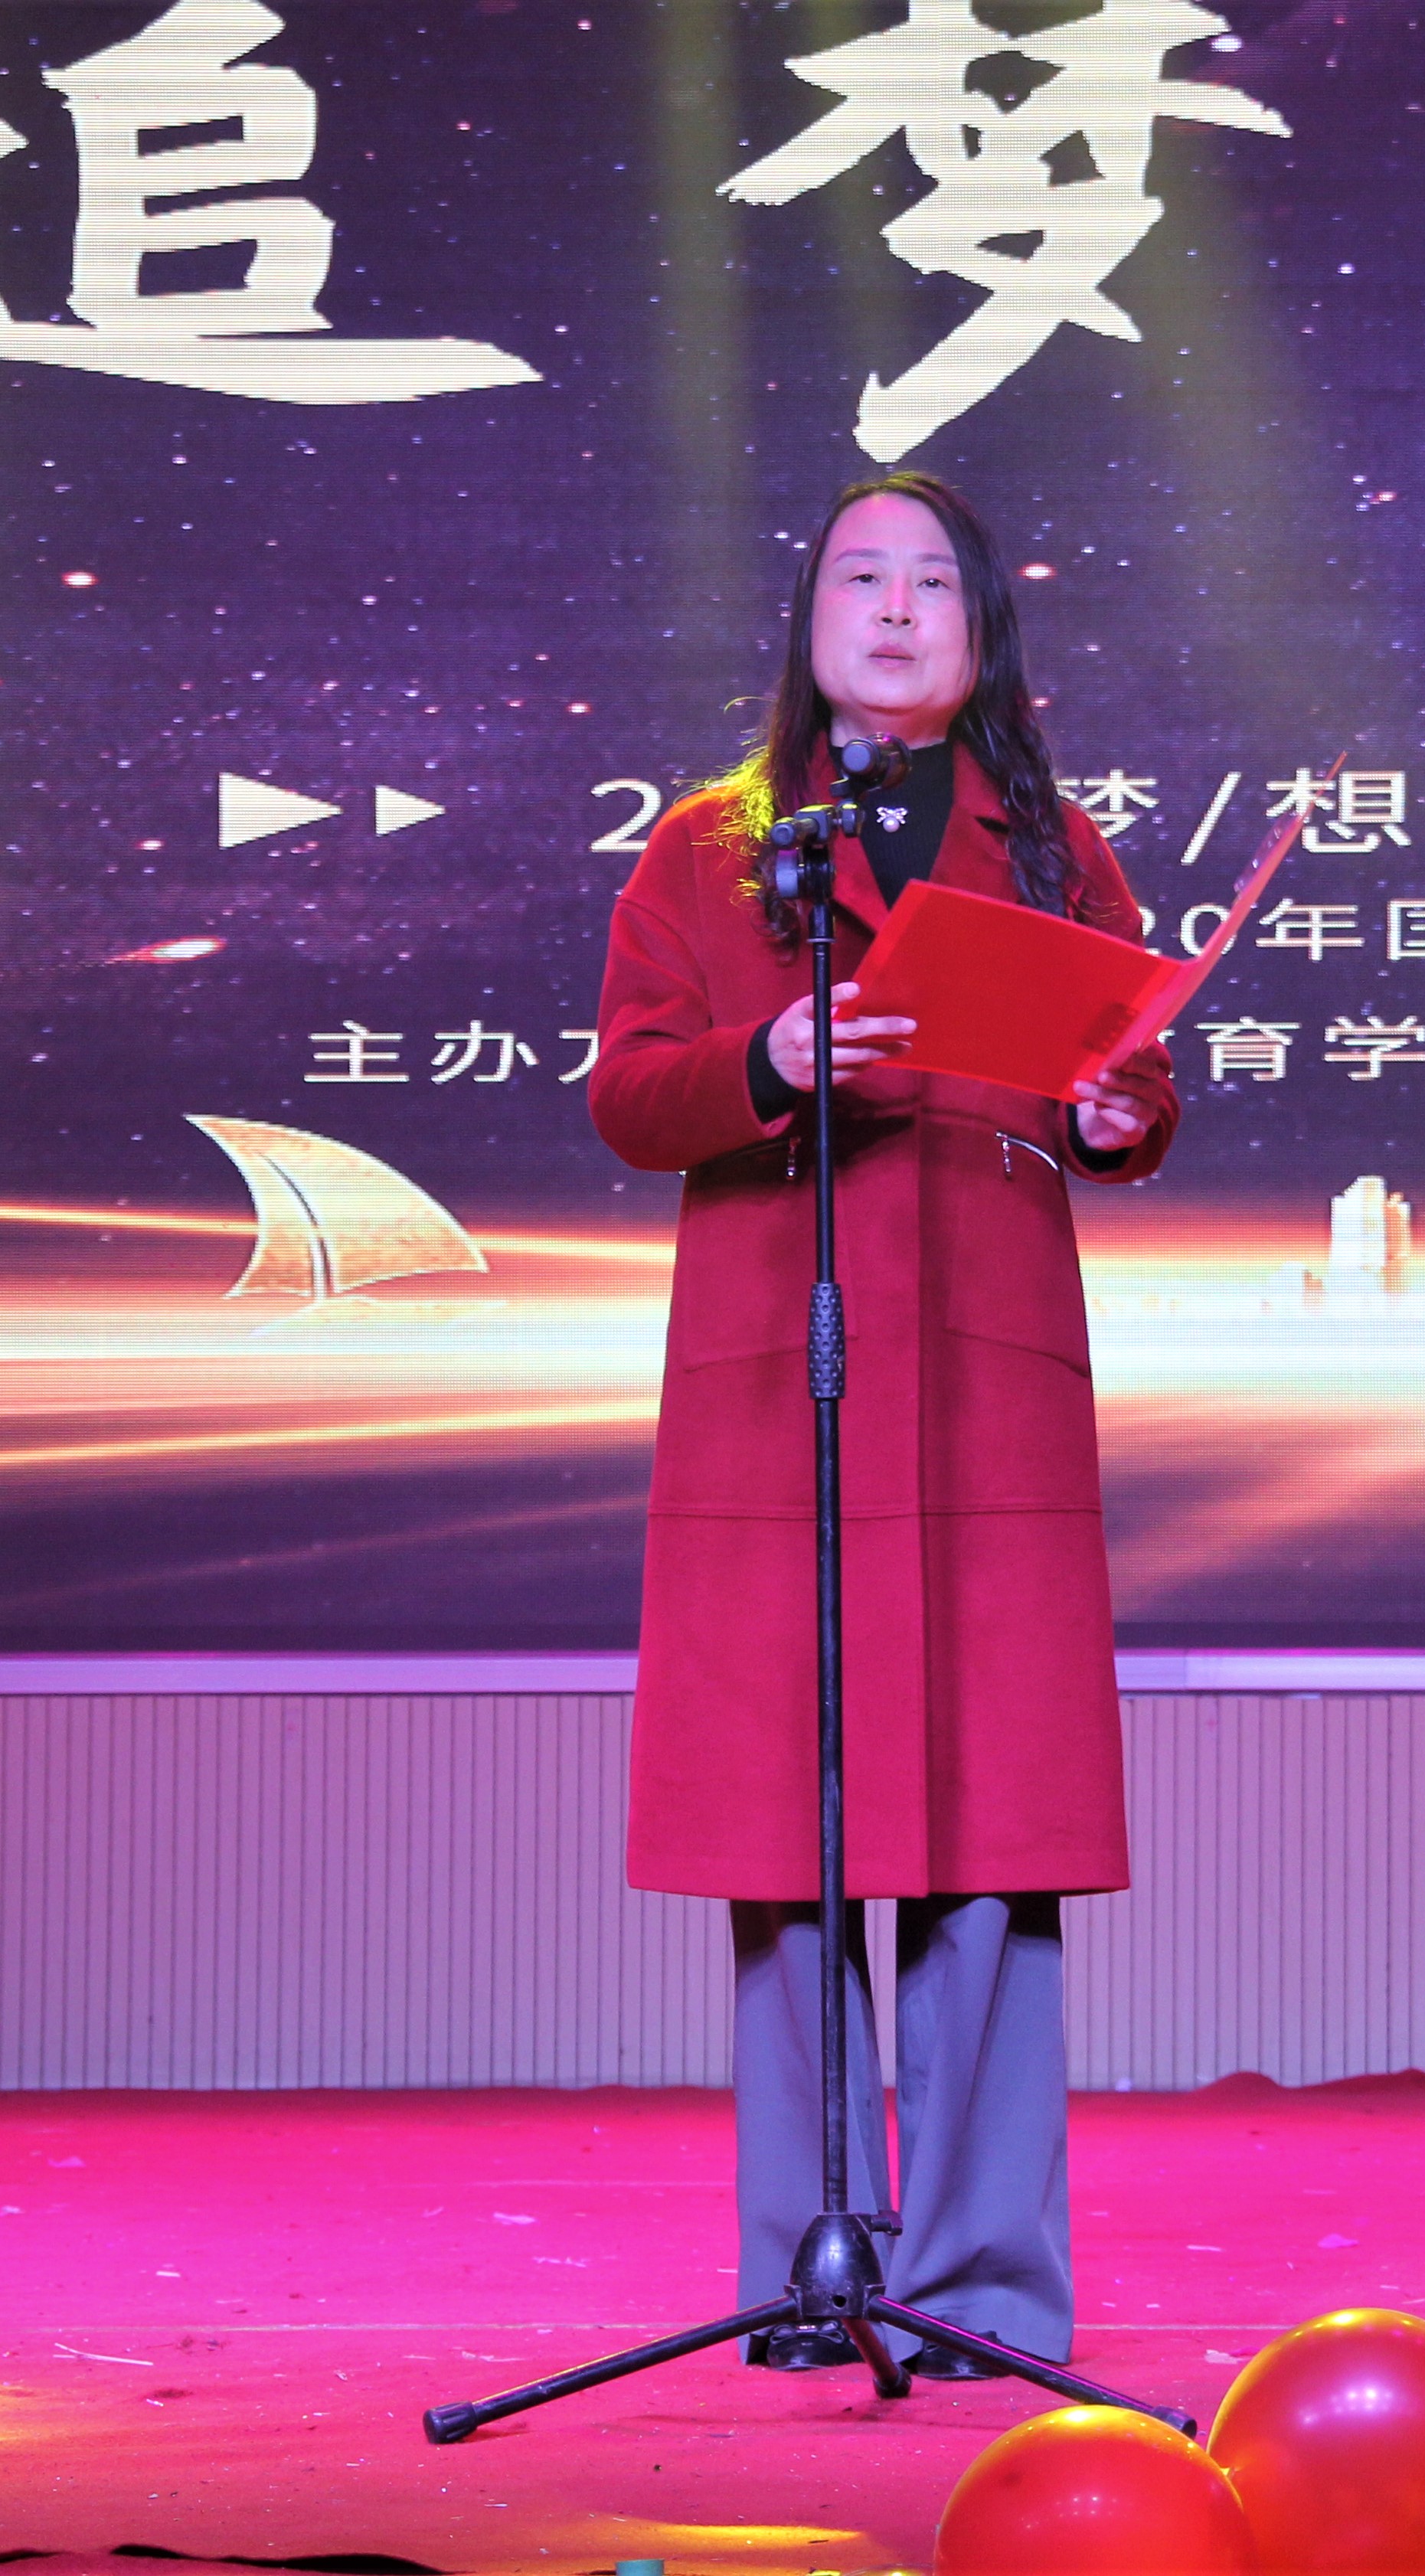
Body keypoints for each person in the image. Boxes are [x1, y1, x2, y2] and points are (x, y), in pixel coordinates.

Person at [587, 470, 1177, 2378]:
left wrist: (1120, 1113)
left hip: (985, 1395)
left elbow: (1124, 1070)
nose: (897, 607)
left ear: (983, 628)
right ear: (809, 620)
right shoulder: (708, 848)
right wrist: (763, 1059)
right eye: (860, 575)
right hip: (788, 1388)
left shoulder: (1049, 845)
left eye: (933, 579)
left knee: (989, 1840)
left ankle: (985, 2286)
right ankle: (811, 2268)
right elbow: (629, 1091)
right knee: (795, 1840)